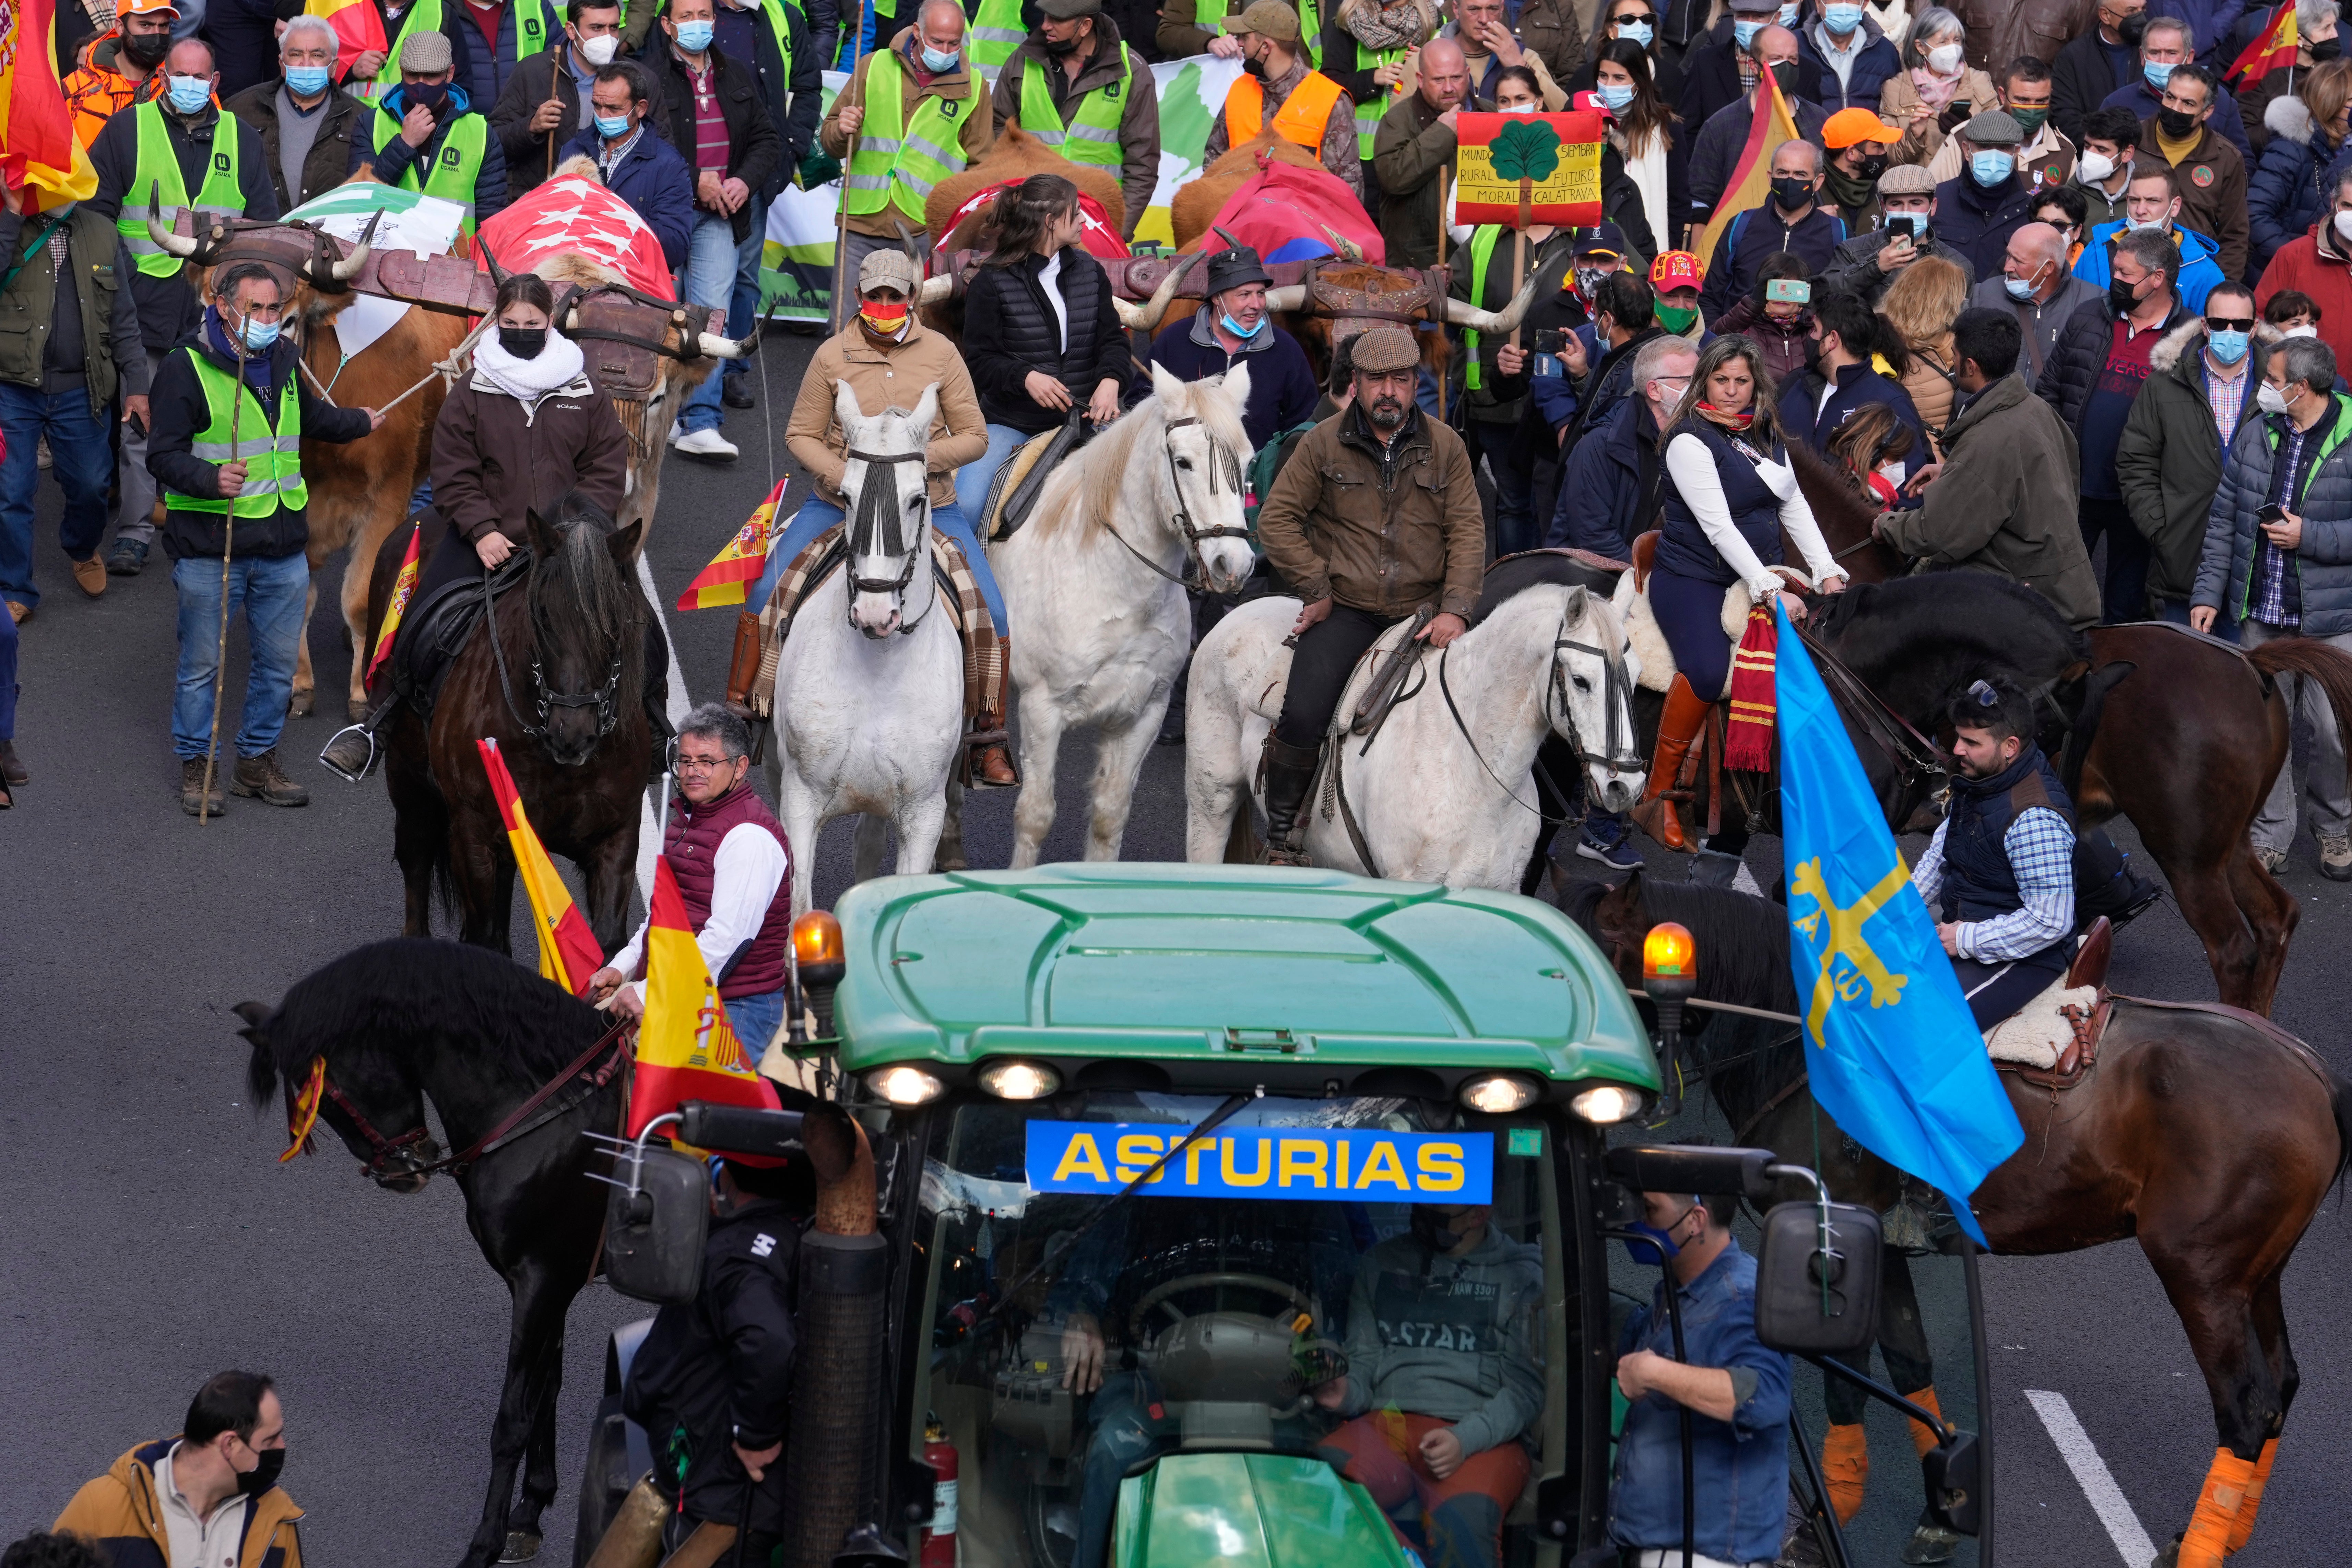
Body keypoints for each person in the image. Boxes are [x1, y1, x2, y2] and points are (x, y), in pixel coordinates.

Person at [318, 271, 633, 780]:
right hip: (488, 539)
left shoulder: (585, 388)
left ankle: (657, 726)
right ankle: (377, 725)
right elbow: (453, 468)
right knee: (422, 617)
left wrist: (576, 533)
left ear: (549, 322)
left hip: (569, 544)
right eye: (510, 322)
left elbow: (605, 462)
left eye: (531, 322)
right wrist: (483, 529)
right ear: (497, 322)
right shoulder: (472, 388)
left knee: (635, 620)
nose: (521, 329)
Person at [150, 263, 379, 816]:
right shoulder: (186, 369)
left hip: (281, 548)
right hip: (212, 547)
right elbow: (160, 455)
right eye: (258, 310)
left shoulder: (282, 359)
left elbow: (312, 418)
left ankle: (256, 763)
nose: (270, 321)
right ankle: (198, 770)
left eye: (276, 310)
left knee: (277, 667)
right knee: (204, 665)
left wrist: (361, 422)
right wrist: (211, 479)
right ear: (225, 306)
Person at [769, 249, 1008, 779]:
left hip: (929, 507)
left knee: (991, 610)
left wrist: (914, 468)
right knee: (768, 590)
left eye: (893, 296)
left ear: (911, 299)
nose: (882, 304)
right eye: (873, 296)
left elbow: (975, 436)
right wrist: (848, 477)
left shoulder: (944, 354)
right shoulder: (831, 356)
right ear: (858, 298)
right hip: (837, 504)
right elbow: (800, 435)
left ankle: (988, 737)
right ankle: (749, 709)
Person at [1253, 327, 1484, 863]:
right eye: (1377, 379)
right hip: (1349, 608)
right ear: (1354, 382)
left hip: (1425, 613)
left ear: (1414, 383)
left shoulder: (1446, 445)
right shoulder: (1322, 441)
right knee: (1305, 711)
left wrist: (1456, 608)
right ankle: (1284, 835)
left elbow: (1468, 531)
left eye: (1401, 380)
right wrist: (1315, 587)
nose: (1389, 391)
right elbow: (1278, 519)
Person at [1634, 334, 1847, 856]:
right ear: (1705, 380)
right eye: (1721, 380)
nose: (1731, 391)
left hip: (1756, 569)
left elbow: (1793, 507)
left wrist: (1826, 571)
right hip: (1692, 578)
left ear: (1757, 384)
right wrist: (1770, 587)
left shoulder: (1766, 431)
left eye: (1741, 381)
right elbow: (1719, 528)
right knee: (1706, 670)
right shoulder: (1688, 440)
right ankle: (1656, 794)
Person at [85, 36, 279, 581]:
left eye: (201, 77)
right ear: (163, 77)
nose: (190, 85)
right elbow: (97, 216)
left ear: (215, 83)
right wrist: (119, 281)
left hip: (213, 311)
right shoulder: (128, 129)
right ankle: (134, 531)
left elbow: (262, 225)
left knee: (210, 423)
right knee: (139, 420)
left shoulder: (242, 139)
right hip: (141, 302)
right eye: (180, 75)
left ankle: (204, 523)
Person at [2192, 333, 2352, 877]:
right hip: (2262, 615)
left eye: (2273, 381)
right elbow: (2223, 519)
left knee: (2333, 731)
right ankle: (2270, 834)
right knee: (2269, 730)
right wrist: (2208, 594)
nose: (2263, 389)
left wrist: (2309, 535)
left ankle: (2334, 829)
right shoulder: (2257, 434)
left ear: (2302, 388)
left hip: (2333, 621)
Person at [1308, 1204, 1546, 1568]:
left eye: (1437, 1212)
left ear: (1478, 1215)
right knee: (1318, 1482)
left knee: (1464, 1526)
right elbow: (1364, 1364)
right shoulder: (1380, 1263)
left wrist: (1464, 1439)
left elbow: (1524, 1392)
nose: (1421, 1217)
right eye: (1420, 1204)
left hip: (1483, 1433)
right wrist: (1343, 1391)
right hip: (1389, 1422)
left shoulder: (1521, 1274)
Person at [617, 1154, 803, 1567]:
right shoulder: (791, 1234)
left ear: (734, 1175)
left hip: (722, 1498)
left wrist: (754, 1436)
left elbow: (768, 1340)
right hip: (734, 1493)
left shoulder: (739, 1255)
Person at [1606, 1184, 1794, 1568]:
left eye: (1650, 1210)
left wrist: (1654, 1372)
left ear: (1694, 1220)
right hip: (1661, 1551)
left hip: (1702, 1558)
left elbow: (1764, 1396)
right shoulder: (1682, 1294)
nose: (1638, 1221)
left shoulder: (1740, 1296)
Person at [1877, 306, 2102, 625]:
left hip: (2031, 602)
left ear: (1970, 366)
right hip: (2063, 586)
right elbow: (2030, 477)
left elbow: (1937, 533)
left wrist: (1885, 524)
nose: (1950, 363)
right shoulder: (2035, 407)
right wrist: (1956, 471)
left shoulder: (1989, 438)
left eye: (1954, 355)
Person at [0, 167, 150, 622]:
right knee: (11, 493)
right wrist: (9, 214)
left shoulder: (102, 232)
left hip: (81, 391)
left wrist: (137, 388)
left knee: (91, 485)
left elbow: (123, 318)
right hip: (12, 389)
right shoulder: (9, 223)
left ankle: (82, 547)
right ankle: (16, 586)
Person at [591, 704, 794, 1038]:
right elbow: (662, 917)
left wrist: (647, 992)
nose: (691, 771)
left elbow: (726, 941)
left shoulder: (749, 837)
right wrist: (622, 966)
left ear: (740, 767)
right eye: (685, 760)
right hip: (681, 986)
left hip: (734, 1007)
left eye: (707, 761)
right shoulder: (687, 823)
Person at [645, 0, 783, 463]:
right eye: (686, 17)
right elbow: (641, 146)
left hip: (720, 214)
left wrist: (743, 180)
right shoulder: (648, 78)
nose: (697, 24)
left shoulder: (736, 74)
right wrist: (694, 180)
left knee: (711, 314)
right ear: (666, 25)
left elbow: (766, 139)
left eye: (704, 14)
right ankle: (655, 411)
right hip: (664, 213)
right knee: (660, 310)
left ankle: (700, 422)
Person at [953, 176, 1130, 527]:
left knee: (1153, 490)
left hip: (1088, 419)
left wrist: (1111, 380)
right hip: (1012, 422)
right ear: (1050, 222)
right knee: (966, 506)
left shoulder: (1089, 272)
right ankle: (968, 582)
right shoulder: (991, 281)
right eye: (1076, 213)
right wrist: (1025, 377)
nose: (1082, 220)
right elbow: (978, 360)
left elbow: (1113, 340)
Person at [1908, 676, 2082, 1027]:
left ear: (2009, 746)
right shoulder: (1980, 782)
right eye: (1958, 737)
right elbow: (1939, 856)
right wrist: (1897, 909)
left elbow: (2049, 921)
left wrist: (1965, 939)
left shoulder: (2034, 818)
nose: (1957, 749)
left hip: (2025, 956)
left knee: (1925, 1025)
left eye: (1971, 741)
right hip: (1964, 925)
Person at [2042, 225, 2193, 622]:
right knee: (2055, 599)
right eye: (2115, 271)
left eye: (2125, 274)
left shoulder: (2189, 339)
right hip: (2075, 486)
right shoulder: (2089, 316)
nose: (2115, 281)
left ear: (2156, 278)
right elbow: (2050, 389)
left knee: (2124, 608)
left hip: (2138, 499)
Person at [2117, 281, 2267, 633]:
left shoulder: (2280, 385)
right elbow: (2134, 462)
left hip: (2257, 566)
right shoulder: (2163, 384)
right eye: (2219, 323)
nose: (2229, 332)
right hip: (2182, 560)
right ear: (2204, 325)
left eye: (2240, 325)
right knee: (2183, 675)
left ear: (2255, 328)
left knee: (2246, 680)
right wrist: (2161, 530)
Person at [822, 0, 996, 284]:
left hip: (923, 232)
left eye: (955, 43)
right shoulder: (873, 65)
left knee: (910, 327)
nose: (946, 51)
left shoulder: (975, 88)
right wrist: (842, 130)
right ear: (917, 31)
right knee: (847, 326)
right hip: (860, 224)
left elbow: (979, 172)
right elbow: (830, 143)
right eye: (937, 41)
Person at [53, 1370, 304, 1568]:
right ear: (230, 1444)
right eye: (270, 1440)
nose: (283, 1447)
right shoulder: (100, 1508)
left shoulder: (276, 1524)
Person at [1453, 197, 1580, 555]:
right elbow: (1454, 303)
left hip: (1558, 410)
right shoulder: (1485, 237)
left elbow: (1633, 283)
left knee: (1551, 505)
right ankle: (1509, 583)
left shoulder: (1584, 237)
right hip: (1493, 401)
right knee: (1512, 503)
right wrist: (1441, 284)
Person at [990, 0, 1161, 243]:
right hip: (1027, 222)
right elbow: (998, 136)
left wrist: (1118, 231)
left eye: (1056, 20)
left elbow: (1142, 164)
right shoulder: (1021, 60)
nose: (1045, 26)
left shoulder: (1132, 70)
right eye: (1045, 17)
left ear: (1085, 26)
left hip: (1096, 223)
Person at [1147, 244, 1320, 449]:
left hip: (1261, 474)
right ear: (1217, 298)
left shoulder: (1285, 349)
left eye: (1261, 293)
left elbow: (1304, 419)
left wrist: (1273, 460)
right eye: (1245, 295)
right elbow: (1140, 402)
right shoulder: (1174, 341)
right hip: (1189, 474)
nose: (1257, 305)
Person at [353, 30, 511, 238]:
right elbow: (356, 201)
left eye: (430, 76)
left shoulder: (480, 132)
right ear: (401, 71)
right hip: (384, 257)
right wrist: (404, 144)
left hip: (454, 262)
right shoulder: (370, 124)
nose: (421, 84)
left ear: (450, 73)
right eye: (412, 75)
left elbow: (491, 221)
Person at [1204, 0, 1362, 199]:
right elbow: (1213, 161)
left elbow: (1347, 192)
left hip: (1302, 227)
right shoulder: (1239, 88)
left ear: (1266, 47)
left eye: (1245, 37)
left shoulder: (1332, 101)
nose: (1240, 43)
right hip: (1238, 223)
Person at [226, 15, 371, 214]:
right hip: (257, 238)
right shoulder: (240, 110)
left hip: (329, 239)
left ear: (334, 66)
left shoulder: (360, 118)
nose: (306, 64)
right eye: (296, 55)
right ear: (282, 63)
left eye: (317, 56)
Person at [562, 61, 697, 272]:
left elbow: (675, 249)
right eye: (597, 105)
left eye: (614, 108)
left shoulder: (669, 165)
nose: (602, 115)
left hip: (634, 287)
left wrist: (614, 213)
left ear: (641, 109)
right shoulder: (573, 150)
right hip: (575, 278)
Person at [1687, 25, 1829, 224]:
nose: (1786, 65)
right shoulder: (1720, 126)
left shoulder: (1819, 121)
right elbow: (1700, 201)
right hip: (1740, 242)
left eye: (1793, 59)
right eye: (1776, 59)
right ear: (1754, 66)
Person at [489, 0, 628, 200]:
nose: (607, 37)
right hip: (543, 210)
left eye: (614, 27)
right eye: (596, 28)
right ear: (571, 31)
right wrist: (531, 127)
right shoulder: (532, 72)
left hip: (612, 213)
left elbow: (660, 152)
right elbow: (493, 144)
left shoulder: (640, 79)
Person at [1700, 137, 1846, 318]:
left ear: (1818, 182)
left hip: (1809, 343)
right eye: (1783, 173)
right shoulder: (1741, 225)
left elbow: (1844, 300)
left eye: (1800, 175)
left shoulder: (1837, 232)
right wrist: (1717, 341)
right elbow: (1710, 296)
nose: (1790, 181)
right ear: (1771, 178)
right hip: (1740, 341)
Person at [2135, 60, 2249, 280]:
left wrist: (2220, 292)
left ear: (2207, 112)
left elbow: (2234, 235)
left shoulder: (2226, 158)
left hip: (2193, 275)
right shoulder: (2132, 141)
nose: (2176, 109)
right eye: (2170, 97)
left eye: (2188, 103)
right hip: (2132, 269)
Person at [1781, 283, 1924, 449]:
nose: (1810, 337)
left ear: (1832, 340)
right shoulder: (1797, 383)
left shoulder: (1891, 402)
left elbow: (1911, 471)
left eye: (1815, 329)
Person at [1371, 37, 1473, 269]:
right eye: (1438, 79)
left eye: (1456, 78)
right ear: (1420, 79)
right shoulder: (1397, 120)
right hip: (1417, 265)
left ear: (1467, 74)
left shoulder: (1487, 114)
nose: (1448, 88)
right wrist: (1443, 133)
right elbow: (1393, 177)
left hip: (1474, 261)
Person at [2098, 13, 2255, 163]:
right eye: (2154, 53)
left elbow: (2243, 161)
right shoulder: (2116, 104)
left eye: (2171, 53)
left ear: (2190, 58)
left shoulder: (2221, 100)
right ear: (2142, 56)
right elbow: (2100, 157)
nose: (2163, 61)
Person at [2072, 162, 2225, 313]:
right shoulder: (2097, 250)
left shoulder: (2205, 273)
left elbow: (2206, 334)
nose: (2140, 210)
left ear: (2175, 207)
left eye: (2152, 201)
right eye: (2134, 200)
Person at [1820, 157, 1974, 300]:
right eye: (1896, 204)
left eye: (1916, 203)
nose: (1906, 211)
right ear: (1884, 208)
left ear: (1933, 207)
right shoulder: (1854, 251)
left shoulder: (1958, 265)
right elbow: (1824, 292)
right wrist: (1876, 266)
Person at [2250, 57, 2352, 274]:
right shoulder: (2289, 150)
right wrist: (2298, 260)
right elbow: (2256, 214)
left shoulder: (2346, 148)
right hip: (2287, 279)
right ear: (2332, 104)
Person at [1970, 219, 2103, 383]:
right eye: (2009, 256)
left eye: (2018, 261)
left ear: (2048, 268)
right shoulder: (1985, 294)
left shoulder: (2092, 304)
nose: (2007, 267)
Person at [373, 0, 566, 113]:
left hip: (529, 136)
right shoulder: (438, 9)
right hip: (461, 140)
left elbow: (562, 70)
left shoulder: (536, 6)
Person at [1926, 52, 2078, 191]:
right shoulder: (1964, 138)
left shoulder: (2065, 153)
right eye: (2023, 100)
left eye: (2041, 101)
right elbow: (1934, 197)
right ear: (2003, 96)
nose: (2032, 110)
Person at [1592, 38, 1685, 251]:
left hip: (1646, 248)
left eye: (1619, 78)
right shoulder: (1583, 121)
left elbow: (1678, 202)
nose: (1608, 85)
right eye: (1603, 76)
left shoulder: (1667, 128)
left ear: (1639, 82)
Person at [1877, 6, 1998, 167]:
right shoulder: (1894, 89)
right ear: (1921, 47)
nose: (1953, 48)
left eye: (1957, 40)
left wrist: (1968, 133)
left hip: (1963, 186)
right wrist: (1913, 137)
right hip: (1915, 187)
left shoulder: (1980, 82)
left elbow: (1999, 146)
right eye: (1943, 41)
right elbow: (1886, 158)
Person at [2259, 165, 2352, 370]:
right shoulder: (2293, 256)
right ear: (2333, 204)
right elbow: (2260, 320)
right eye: (2348, 206)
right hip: (2304, 390)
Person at [1679, 0, 1820, 132]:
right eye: (1743, 16)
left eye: (1759, 17)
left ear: (1777, 18)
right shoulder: (1705, 64)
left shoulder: (1806, 71)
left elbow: (1811, 129)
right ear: (1734, 19)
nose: (1750, 23)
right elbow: (1688, 129)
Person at [1929, 106, 2036, 281]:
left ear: (2015, 153)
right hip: (1946, 306)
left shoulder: (2031, 210)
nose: (1993, 156)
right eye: (1984, 147)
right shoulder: (1937, 200)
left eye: (2003, 148)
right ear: (1966, 151)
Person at [1877, 249, 1967, 442]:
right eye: (1960, 298)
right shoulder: (1951, 346)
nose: (1963, 303)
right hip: (1934, 460)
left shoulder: (1881, 340)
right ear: (1945, 304)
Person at [62, 0, 174, 150]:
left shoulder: (183, 85)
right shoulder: (74, 89)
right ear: (120, 27)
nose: (156, 34)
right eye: (145, 25)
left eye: (164, 26)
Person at [2242, 0, 2341, 152]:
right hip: (2281, 164)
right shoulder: (2265, 75)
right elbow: (2245, 133)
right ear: (2299, 38)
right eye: (2326, 27)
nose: (2335, 34)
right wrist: (2283, 130)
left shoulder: (2339, 71)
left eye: (2334, 25)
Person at [1713, 256, 1819, 386]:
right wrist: (1752, 306)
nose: (1783, 295)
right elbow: (1712, 342)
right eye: (1776, 287)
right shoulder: (1745, 325)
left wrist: (1823, 308)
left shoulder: (1816, 328)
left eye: (1790, 289)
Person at [2053, 0, 2148, 144]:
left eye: (2143, 9)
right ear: (2105, 15)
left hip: (2145, 155)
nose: (2140, 18)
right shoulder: (2074, 57)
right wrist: (2101, 149)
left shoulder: (2153, 52)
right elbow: (2066, 118)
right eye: (2132, 11)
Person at [1817, 103, 1907, 233]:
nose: (1883, 152)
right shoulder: (1814, 191)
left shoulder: (1875, 191)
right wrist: (1811, 224)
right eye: (1878, 146)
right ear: (1851, 153)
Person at [1801, 0, 1902, 115]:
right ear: (1819, 4)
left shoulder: (1885, 52)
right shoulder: (1797, 48)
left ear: (1864, 5)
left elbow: (1894, 113)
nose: (1844, 4)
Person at [2067, 103, 2144, 231]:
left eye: (2101, 149)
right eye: (2087, 146)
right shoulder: (2067, 197)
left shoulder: (2147, 198)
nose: (2090, 154)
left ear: (2127, 153)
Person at [2035, 180, 2092, 264]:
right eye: (2042, 223)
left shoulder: (2088, 269)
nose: (2049, 232)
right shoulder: (2017, 263)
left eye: (2059, 225)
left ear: (2077, 232)